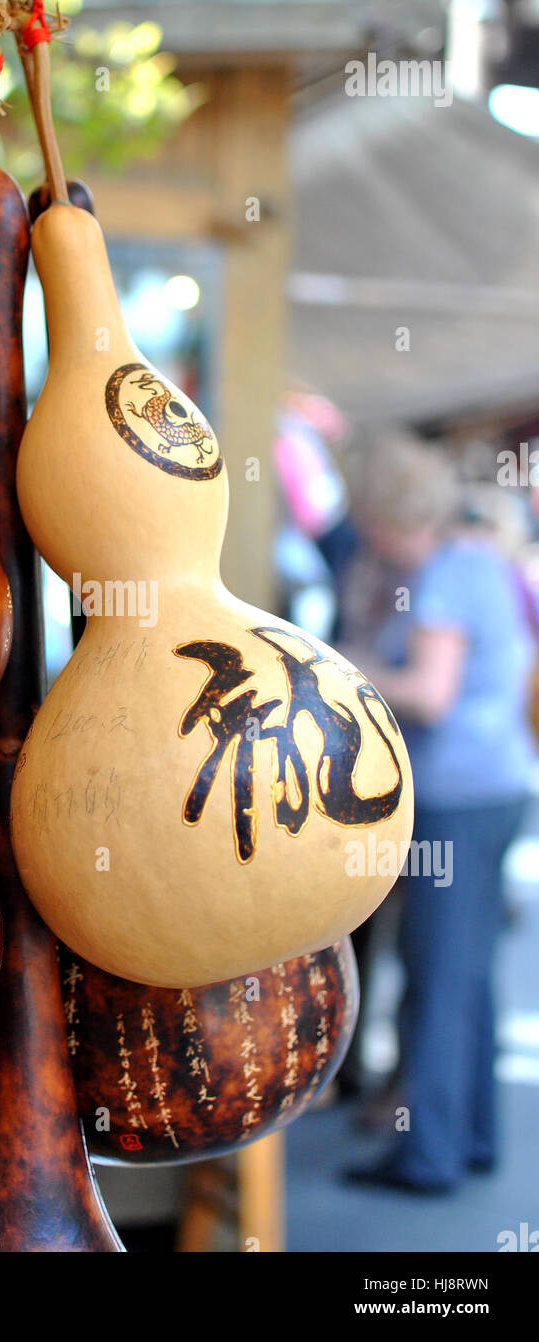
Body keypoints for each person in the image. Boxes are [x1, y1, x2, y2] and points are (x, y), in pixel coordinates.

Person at [340, 436, 535, 1194]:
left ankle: (428, 1154)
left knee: (436, 977)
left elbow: (429, 692)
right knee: (469, 979)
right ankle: (472, 1135)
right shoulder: (479, 562)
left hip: (455, 799)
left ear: (383, 516)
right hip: (497, 788)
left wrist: (353, 669)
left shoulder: (444, 579)